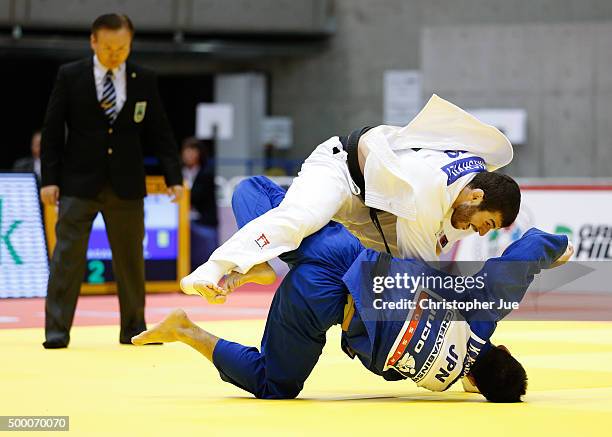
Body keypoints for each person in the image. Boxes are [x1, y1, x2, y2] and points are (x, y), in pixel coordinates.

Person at [133, 176, 572, 402]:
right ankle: (186, 330)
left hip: (348, 248)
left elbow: (525, 252)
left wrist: (559, 248)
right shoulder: (437, 383)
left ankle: (261, 257)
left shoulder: (482, 316)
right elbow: (365, 352)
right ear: (475, 385)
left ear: (506, 351)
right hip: (320, 299)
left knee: (258, 192)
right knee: (275, 385)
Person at [180, 95, 521, 302]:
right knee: (302, 218)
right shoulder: (428, 188)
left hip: (382, 207)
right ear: (475, 196)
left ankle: (471, 361)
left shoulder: (473, 188)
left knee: (379, 274)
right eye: (486, 224)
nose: (480, 233)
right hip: (342, 171)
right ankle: (215, 267)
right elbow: (416, 273)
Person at [40, 13, 183, 348]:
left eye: (122, 48)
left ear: (130, 43)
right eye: (108, 48)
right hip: (78, 182)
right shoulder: (70, 75)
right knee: (66, 259)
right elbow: (51, 131)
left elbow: (160, 130)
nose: (115, 54)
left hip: (127, 184)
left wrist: (173, 176)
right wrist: (50, 178)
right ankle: (57, 330)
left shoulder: (143, 78)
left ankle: (133, 327)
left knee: (131, 260)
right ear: (93, 42)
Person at [181, 137, 219, 269]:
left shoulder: (206, 173)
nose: (189, 154)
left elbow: (195, 197)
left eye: (193, 151)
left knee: (206, 261)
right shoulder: (178, 173)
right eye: (187, 151)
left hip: (203, 223)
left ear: (199, 154)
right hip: (182, 222)